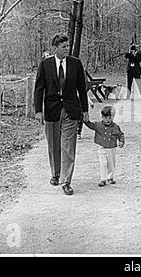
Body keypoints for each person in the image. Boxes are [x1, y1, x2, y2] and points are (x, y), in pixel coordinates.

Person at [34, 33, 89, 196]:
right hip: (52, 109)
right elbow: (38, 89)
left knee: (68, 146)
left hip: (71, 110)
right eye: (63, 46)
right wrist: (38, 111)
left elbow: (82, 88)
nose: (67, 49)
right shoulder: (45, 65)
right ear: (55, 48)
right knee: (53, 144)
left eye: (68, 46)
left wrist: (85, 110)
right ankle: (56, 174)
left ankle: (66, 181)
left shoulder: (76, 64)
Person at [84, 106, 125, 187]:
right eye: (106, 118)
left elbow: (120, 134)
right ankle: (103, 179)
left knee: (111, 163)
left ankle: (110, 177)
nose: (108, 120)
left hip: (112, 148)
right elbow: (91, 125)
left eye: (110, 118)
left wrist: (121, 141)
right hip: (102, 147)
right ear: (102, 117)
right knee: (103, 163)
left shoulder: (116, 127)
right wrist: (86, 121)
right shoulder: (98, 125)